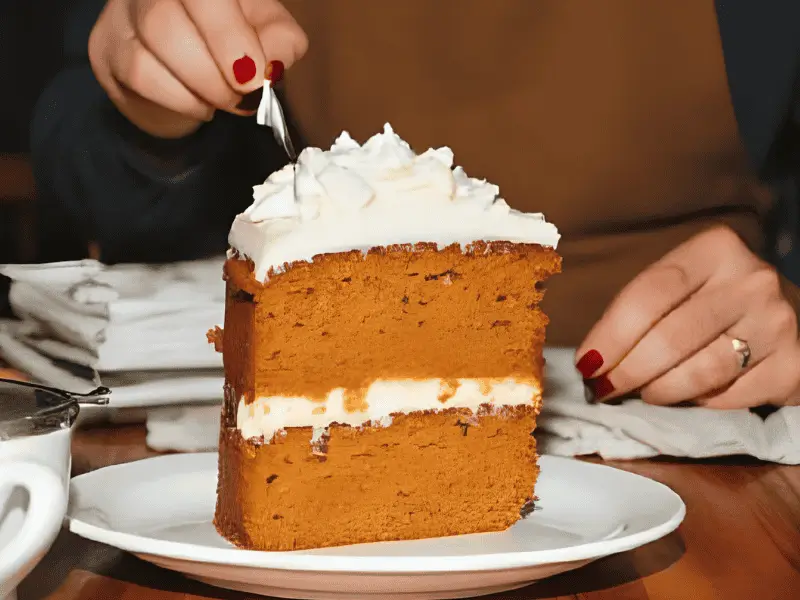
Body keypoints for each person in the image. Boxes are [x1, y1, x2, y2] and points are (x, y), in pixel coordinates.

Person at [32, 0, 800, 409]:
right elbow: (78, 162)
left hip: (698, 436)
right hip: (303, 392)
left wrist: (787, 315)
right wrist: (151, 122)